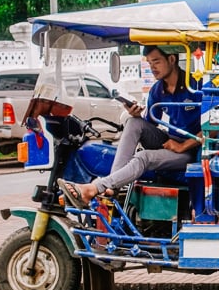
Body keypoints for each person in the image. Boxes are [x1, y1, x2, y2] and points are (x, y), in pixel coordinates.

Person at [58, 45, 202, 206]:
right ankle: (112, 187)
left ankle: (93, 188)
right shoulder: (158, 90)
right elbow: (150, 124)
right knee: (134, 123)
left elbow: (214, 127)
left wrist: (183, 146)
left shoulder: (196, 85)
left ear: (172, 59)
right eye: (149, 63)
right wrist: (136, 114)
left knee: (143, 157)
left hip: (192, 149)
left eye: (156, 61)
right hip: (171, 140)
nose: (152, 67)